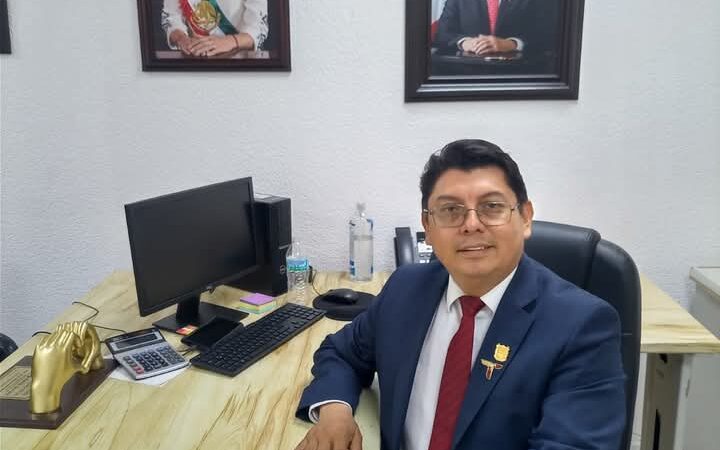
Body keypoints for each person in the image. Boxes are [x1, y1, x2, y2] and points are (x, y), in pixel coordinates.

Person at [294, 139, 626, 450]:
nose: (471, 224)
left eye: (492, 207)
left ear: (525, 218)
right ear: (427, 227)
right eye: (450, 210)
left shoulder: (582, 325)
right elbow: (341, 353)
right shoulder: (405, 289)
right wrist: (335, 413)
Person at [433, 0, 559, 58]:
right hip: (465, 74)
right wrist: (465, 42)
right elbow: (442, 34)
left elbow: (547, 35)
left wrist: (512, 44)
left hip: (518, 75)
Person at [161, 0, 268, 57]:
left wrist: (228, 41)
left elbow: (258, 27)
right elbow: (171, 17)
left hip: (241, 65)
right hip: (195, 60)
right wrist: (182, 39)